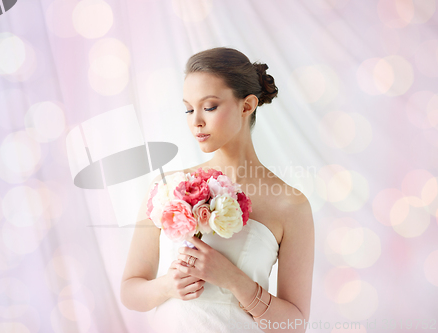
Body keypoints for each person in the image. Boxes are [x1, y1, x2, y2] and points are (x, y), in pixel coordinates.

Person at [121, 47, 314, 333]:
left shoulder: (290, 205)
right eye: (189, 108)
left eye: (209, 107)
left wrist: (234, 280)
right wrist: (166, 286)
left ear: (247, 106)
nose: (195, 121)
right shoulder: (167, 187)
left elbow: (295, 325)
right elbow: (130, 291)